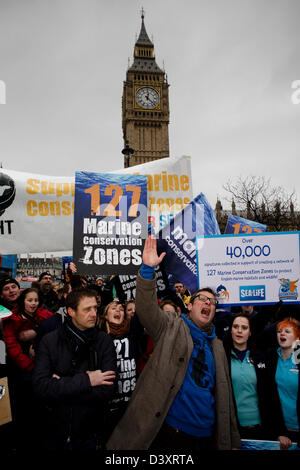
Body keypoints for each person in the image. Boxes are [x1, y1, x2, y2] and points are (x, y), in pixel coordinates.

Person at [107, 235, 241, 451]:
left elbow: (225, 394)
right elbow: (147, 309)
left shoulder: (217, 346)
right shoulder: (171, 326)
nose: (208, 303)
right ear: (189, 306)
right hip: (173, 432)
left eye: (212, 302)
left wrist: (231, 439)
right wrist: (148, 270)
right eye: (202, 299)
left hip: (207, 436)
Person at [33, 287, 117, 453]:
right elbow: (41, 388)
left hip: (90, 433)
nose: (94, 314)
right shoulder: (50, 341)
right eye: (87, 309)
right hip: (54, 433)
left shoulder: (104, 341)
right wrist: (88, 381)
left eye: (95, 308)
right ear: (70, 311)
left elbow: (108, 390)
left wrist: (61, 386)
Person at [2, 287, 53, 450]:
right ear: (23, 301)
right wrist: (30, 366)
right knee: (24, 409)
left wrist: (37, 332)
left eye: (36, 300)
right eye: (29, 300)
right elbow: (12, 346)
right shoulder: (13, 319)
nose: (33, 303)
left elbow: (57, 328)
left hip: (43, 369)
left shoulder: (45, 316)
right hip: (23, 372)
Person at [98, 300, 143, 444]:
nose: (118, 311)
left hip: (131, 403)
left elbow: (141, 311)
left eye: (121, 309)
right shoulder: (99, 337)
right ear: (105, 315)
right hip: (108, 404)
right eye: (113, 308)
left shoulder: (132, 333)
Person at [223, 313, 269, 440]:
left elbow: (270, 393)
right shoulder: (222, 357)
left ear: (250, 332)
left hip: (260, 427)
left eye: (244, 328)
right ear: (230, 330)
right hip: (233, 428)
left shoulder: (260, 357)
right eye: (235, 326)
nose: (239, 331)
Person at [265, 317, 300, 449]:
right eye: (279, 331)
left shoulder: (298, 357)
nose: (282, 333)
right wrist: (278, 431)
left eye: (287, 331)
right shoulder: (272, 357)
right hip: (282, 430)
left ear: (297, 338)